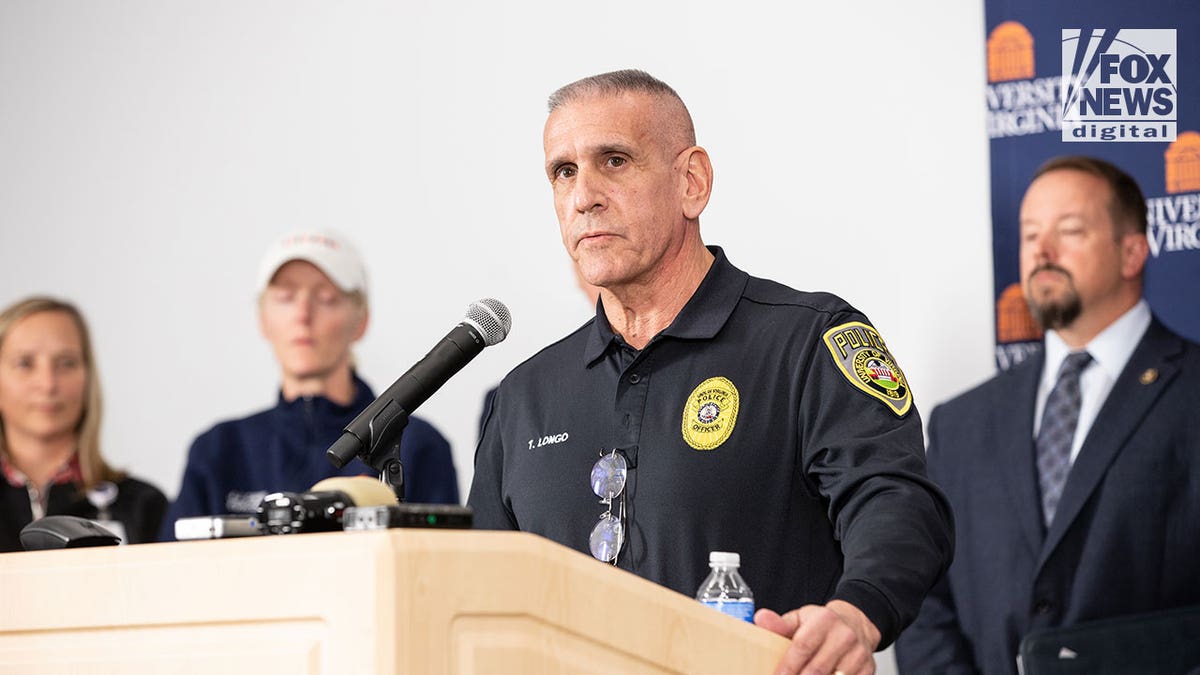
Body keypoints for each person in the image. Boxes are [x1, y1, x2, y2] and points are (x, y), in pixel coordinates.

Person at [467, 69, 954, 674]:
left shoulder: (809, 340)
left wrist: (857, 613)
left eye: (614, 161)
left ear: (691, 183)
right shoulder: (523, 396)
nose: (582, 195)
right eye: (562, 171)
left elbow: (896, 499)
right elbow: (483, 598)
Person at [895, 156, 1200, 674]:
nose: (1042, 250)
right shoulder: (962, 424)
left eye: (1070, 230)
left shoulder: (1191, 393)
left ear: (1132, 252)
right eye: (1030, 233)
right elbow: (926, 600)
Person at [161, 230, 458, 539]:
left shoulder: (416, 444)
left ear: (361, 320)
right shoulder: (219, 450)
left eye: (325, 298)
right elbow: (169, 575)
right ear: (263, 319)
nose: (303, 315)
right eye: (286, 298)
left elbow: (439, 571)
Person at [0, 296, 166, 552]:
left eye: (66, 363)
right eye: (25, 363)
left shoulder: (144, 505)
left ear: (88, 376)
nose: (48, 384)